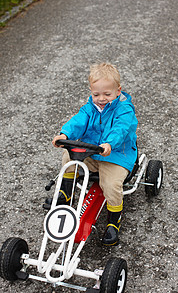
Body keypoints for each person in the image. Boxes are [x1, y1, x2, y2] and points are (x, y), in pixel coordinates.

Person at [44, 63, 138, 246]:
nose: (101, 98)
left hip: (116, 155)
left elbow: (121, 128)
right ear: (91, 92)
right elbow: (78, 121)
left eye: (107, 94)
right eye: (96, 94)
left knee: (110, 184)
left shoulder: (124, 110)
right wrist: (65, 134)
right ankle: (66, 193)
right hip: (93, 152)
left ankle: (114, 220)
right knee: (68, 158)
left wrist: (110, 143)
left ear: (118, 91)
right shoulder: (90, 107)